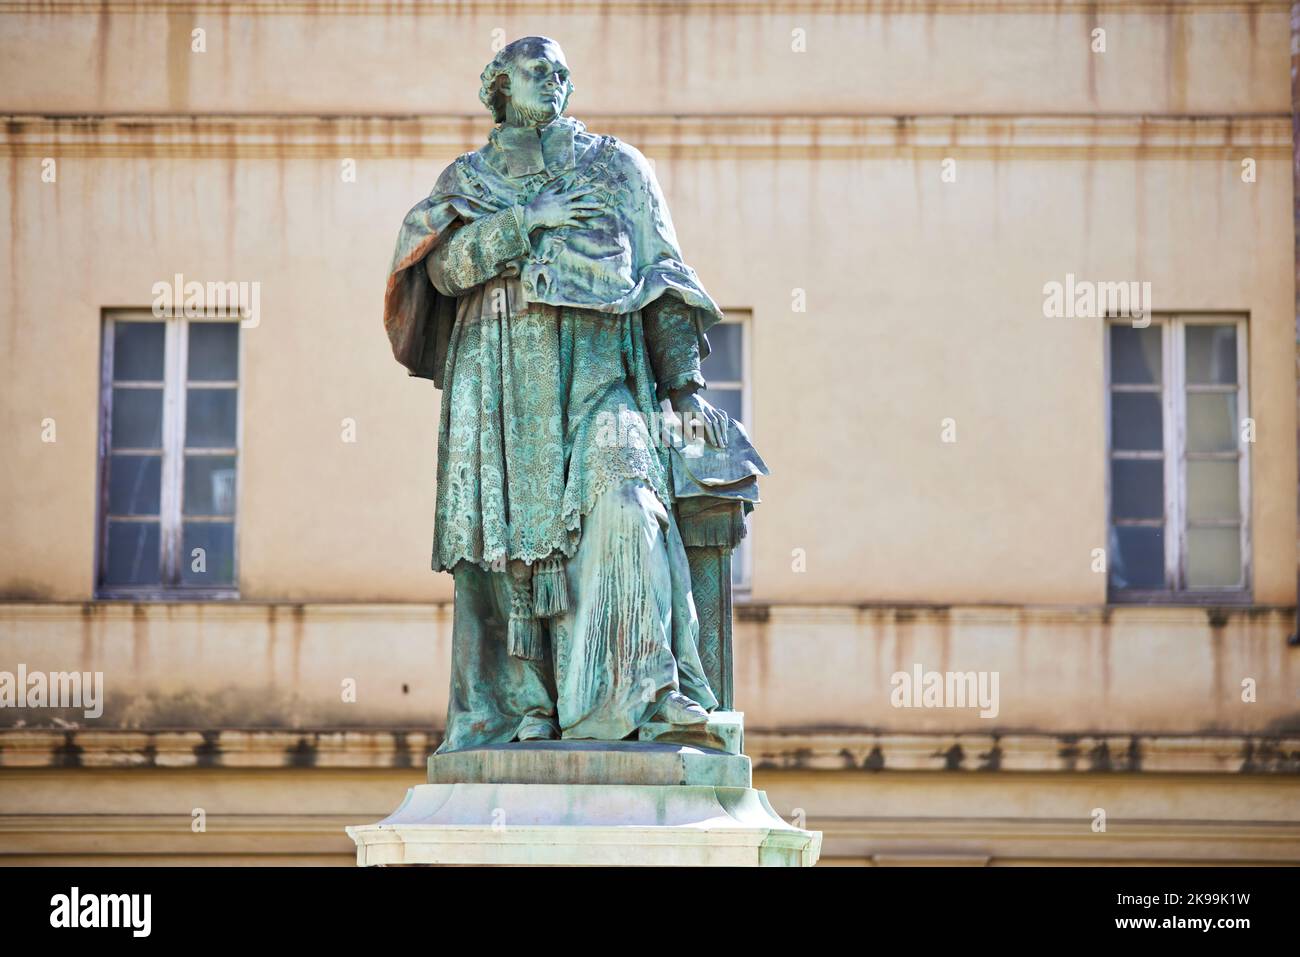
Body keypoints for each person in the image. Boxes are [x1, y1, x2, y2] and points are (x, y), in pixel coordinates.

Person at [382, 36, 731, 751]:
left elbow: (663, 276)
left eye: (562, 72)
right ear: (499, 86)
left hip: (602, 371)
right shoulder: (470, 178)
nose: (554, 81)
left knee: (630, 508)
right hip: (501, 377)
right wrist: (524, 224)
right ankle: (523, 709)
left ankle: (648, 695)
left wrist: (685, 388)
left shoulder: (618, 167)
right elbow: (440, 269)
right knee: (509, 550)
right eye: (536, 71)